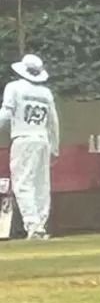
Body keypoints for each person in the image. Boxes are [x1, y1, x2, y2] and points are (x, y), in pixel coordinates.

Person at [0, 55, 59, 239]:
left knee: (22, 183)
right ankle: (40, 224)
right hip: (42, 140)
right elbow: (53, 122)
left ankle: (32, 224)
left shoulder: (14, 87)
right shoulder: (46, 93)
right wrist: (55, 147)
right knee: (41, 185)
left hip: (23, 138)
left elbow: (6, 113)